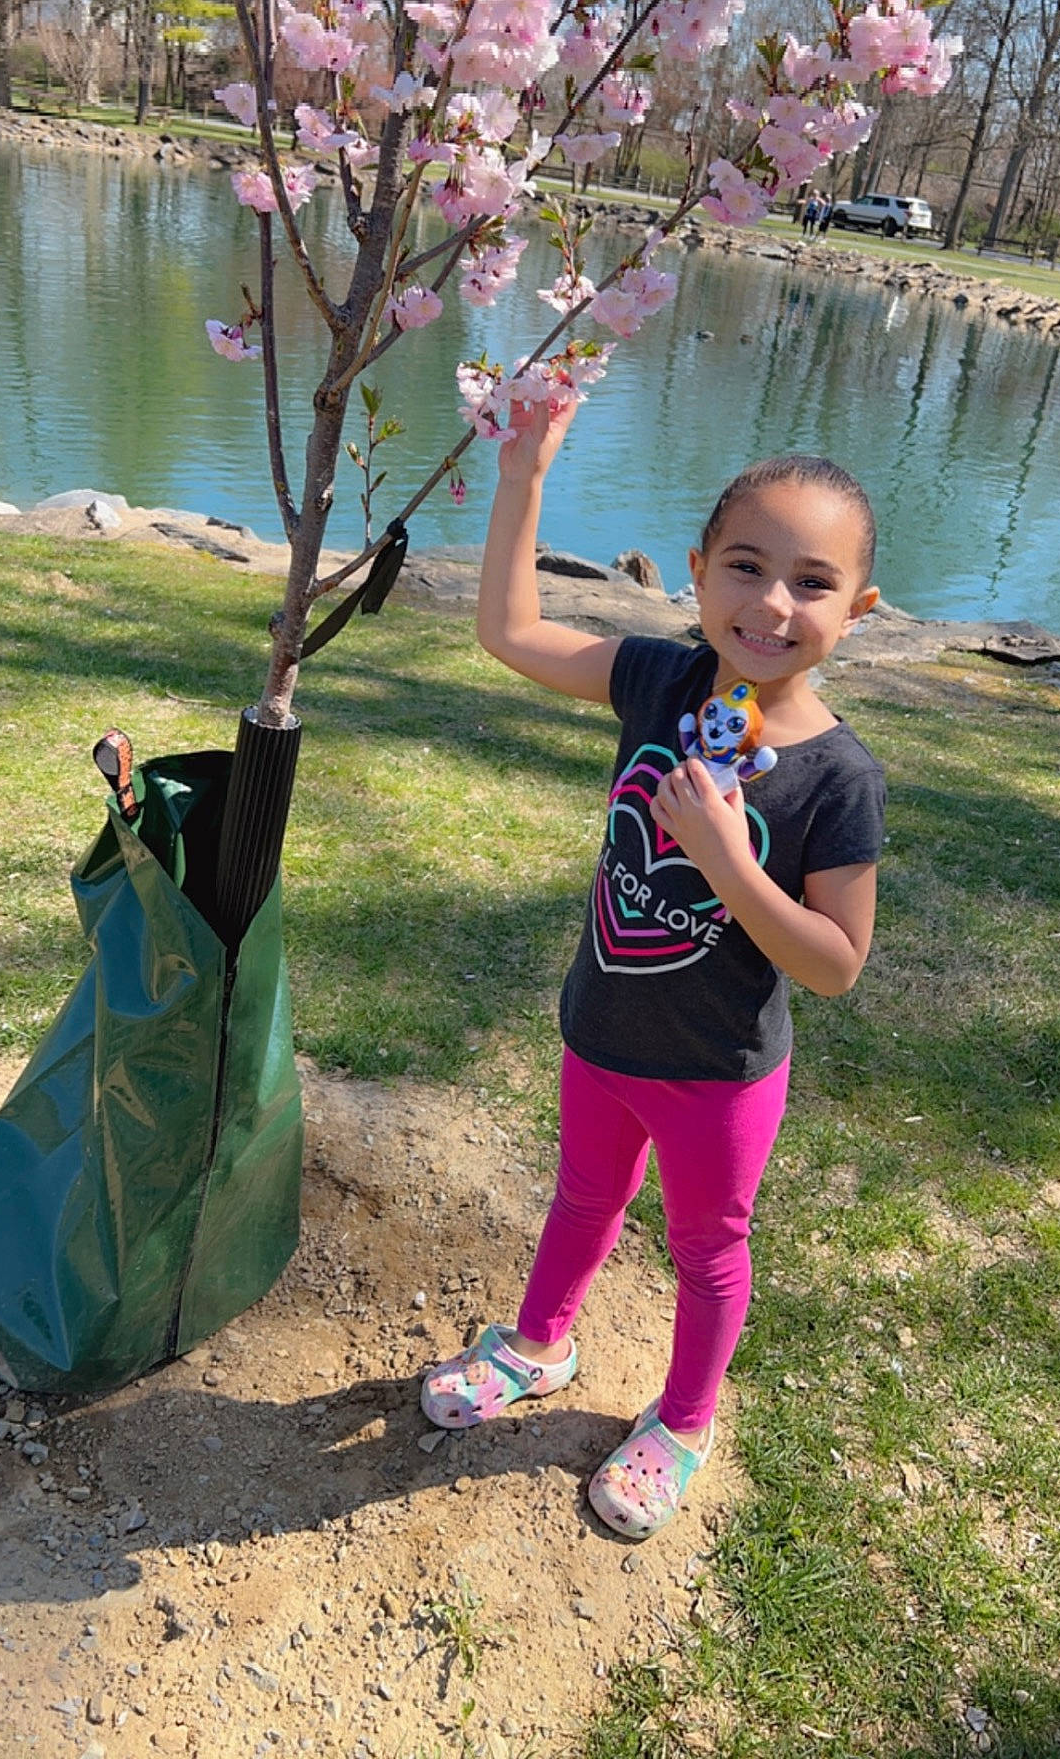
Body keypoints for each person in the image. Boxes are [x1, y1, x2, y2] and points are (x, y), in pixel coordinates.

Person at [421, 410, 885, 1540]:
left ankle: (683, 1421)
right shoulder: (658, 683)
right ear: (697, 570)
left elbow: (834, 964)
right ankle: (539, 1343)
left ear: (857, 610)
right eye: (746, 566)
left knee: (706, 1247)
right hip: (601, 1030)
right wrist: (523, 475)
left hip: (716, 1073)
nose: (772, 604)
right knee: (582, 1194)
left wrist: (729, 863)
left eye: (812, 583)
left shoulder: (838, 778)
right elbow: (510, 630)